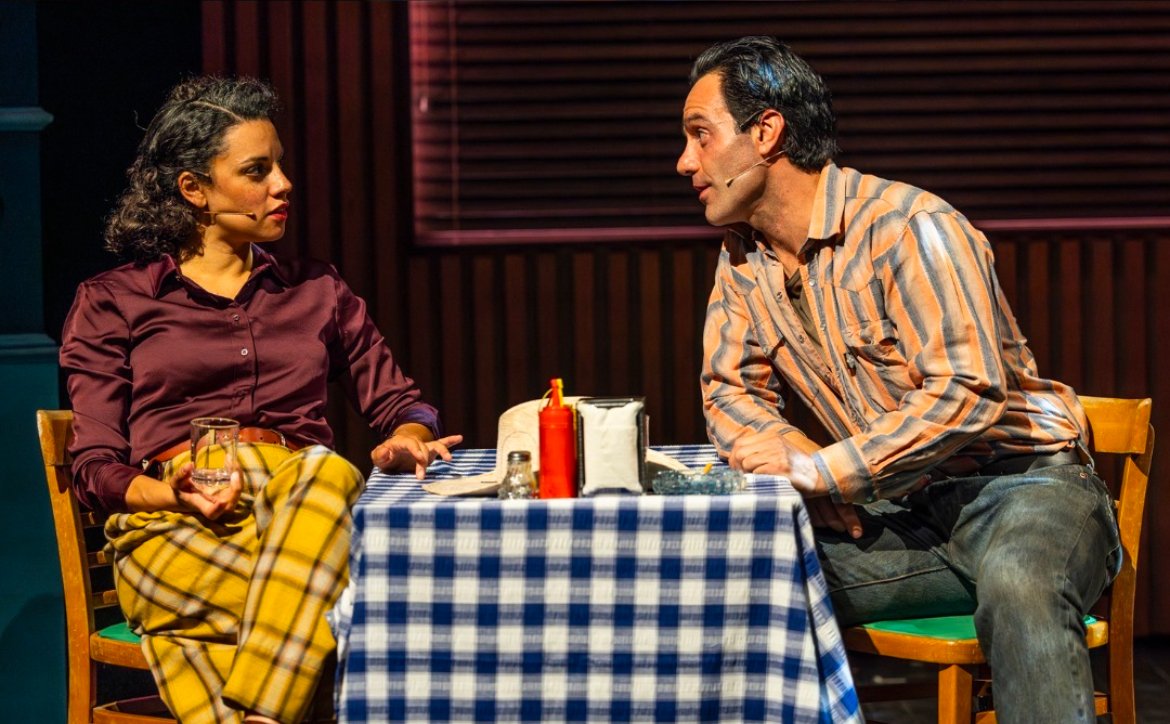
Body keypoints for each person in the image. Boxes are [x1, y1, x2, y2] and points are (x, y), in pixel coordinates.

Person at [677, 36, 1120, 723]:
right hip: (902, 510)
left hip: (1025, 487)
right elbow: (729, 391)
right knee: (733, 571)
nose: (685, 163)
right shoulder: (743, 261)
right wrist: (799, 463)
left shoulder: (912, 226)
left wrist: (825, 471)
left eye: (700, 136)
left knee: (1019, 582)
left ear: (766, 132)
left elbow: (967, 392)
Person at [59, 76, 461, 723]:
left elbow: (402, 406)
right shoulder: (114, 300)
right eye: (257, 169)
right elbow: (95, 464)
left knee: (328, 472)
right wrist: (173, 491)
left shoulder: (319, 290)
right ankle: (292, 673)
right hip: (175, 531)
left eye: (280, 165)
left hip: (300, 510)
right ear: (194, 188)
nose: (284, 184)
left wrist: (408, 438)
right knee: (353, 595)